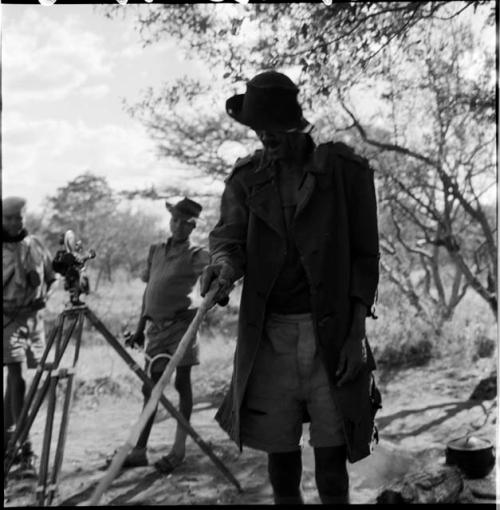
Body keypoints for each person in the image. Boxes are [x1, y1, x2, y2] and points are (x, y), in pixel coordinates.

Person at [200, 71, 381, 504]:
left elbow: (365, 258)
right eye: (259, 130)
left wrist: (356, 335)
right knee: (282, 468)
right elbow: (229, 241)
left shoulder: (344, 172)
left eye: (274, 129)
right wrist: (221, 269)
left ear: (296, 126)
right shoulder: (246, 179)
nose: (266, 138)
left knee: (332, 468)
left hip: (333, 338)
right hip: (269, 339)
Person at [120, 197, 209, 474]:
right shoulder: (156, 250)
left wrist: (198, 307)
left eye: (186, 223)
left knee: (182, 385)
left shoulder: (196, 254)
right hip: (155, 329)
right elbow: (149, 292)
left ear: (193, 227)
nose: (179, 227)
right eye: (175, 221)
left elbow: (215, 274)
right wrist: (138, 328)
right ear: (170, 221)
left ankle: (178, 450)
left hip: (181, 329)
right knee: (151, 388)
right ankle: (139, 451)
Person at [3, 196, 56, 476]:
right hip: (7, 320)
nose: (14, 223)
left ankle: (7, 439)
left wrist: (45, 296)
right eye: (8, 218)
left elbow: (51, 277)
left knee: (24, 383)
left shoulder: (35, 244)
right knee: (17, 378)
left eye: (18, 218)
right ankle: (24, 446)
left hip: (33, 320)